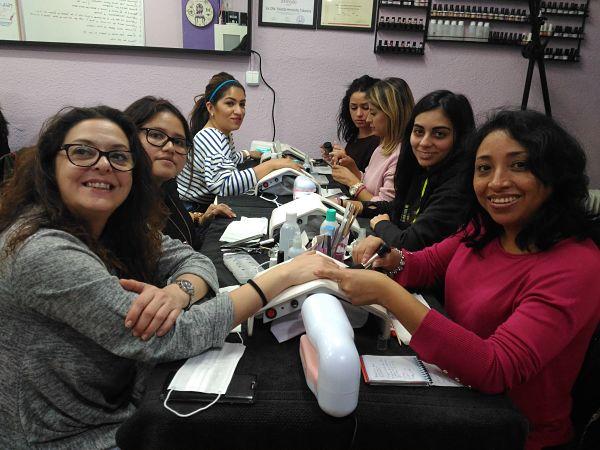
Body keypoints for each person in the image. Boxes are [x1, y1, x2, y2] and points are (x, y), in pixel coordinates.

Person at [0, 105, 331, 448]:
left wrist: (179, 291)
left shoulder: (115, 224)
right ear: (50, 165)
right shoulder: (43, 251)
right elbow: (168, 336)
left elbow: (193, 259)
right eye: (82, 152)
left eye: (118, 156)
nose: (102, 164)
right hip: (73, 437)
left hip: (119, 400)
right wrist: (280, 278)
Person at [317, 110, 600, 450]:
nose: (496, 182)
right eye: (484, 168)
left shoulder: (577, 266)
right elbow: (423, 264)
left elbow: (495, 367)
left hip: (512, 432)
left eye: (519, 165)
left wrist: (389, 293)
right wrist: (391, 257)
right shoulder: (485, 229)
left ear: (555, 173)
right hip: (455, 396)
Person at [357, 90, 475, 251]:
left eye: (439, 134)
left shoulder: (458, 188)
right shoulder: (421, 169)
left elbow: (409, 244)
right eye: (419, 131)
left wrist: (381, 224)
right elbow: (401, 208)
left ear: (460, 138)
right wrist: (361, 207)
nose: (424, 142)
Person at [177, 72, 300, 211]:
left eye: (242, 104)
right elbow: (225, 185)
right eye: (230, 103)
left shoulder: (222, 133)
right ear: (211, 107)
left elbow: (228, 159)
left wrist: (248, 154)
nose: (239, 111)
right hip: (191, 209)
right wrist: (272, 165)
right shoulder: (211, 138)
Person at [125, 96, 235, 249]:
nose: (170, 147)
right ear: (129, 137)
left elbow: (174, 228)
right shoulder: (120, 206)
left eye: (178, 142)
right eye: (156, 135)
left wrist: (200, 219)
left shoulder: (167, 184)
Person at [331, 77, 414, 202]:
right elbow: (370, 185)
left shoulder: (400, 156)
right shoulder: (382, 147)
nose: (368, 119)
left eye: (373, 113)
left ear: (392, 114)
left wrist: (352, 182)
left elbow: (384, 206)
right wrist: (353, 169)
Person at [322, 75, 380, 172]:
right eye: (353, 108)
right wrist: (337, 159)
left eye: (365, 107)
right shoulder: (355, 135)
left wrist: (347, 161)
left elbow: (367, 182)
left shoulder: (379, 141)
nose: (358, 114)